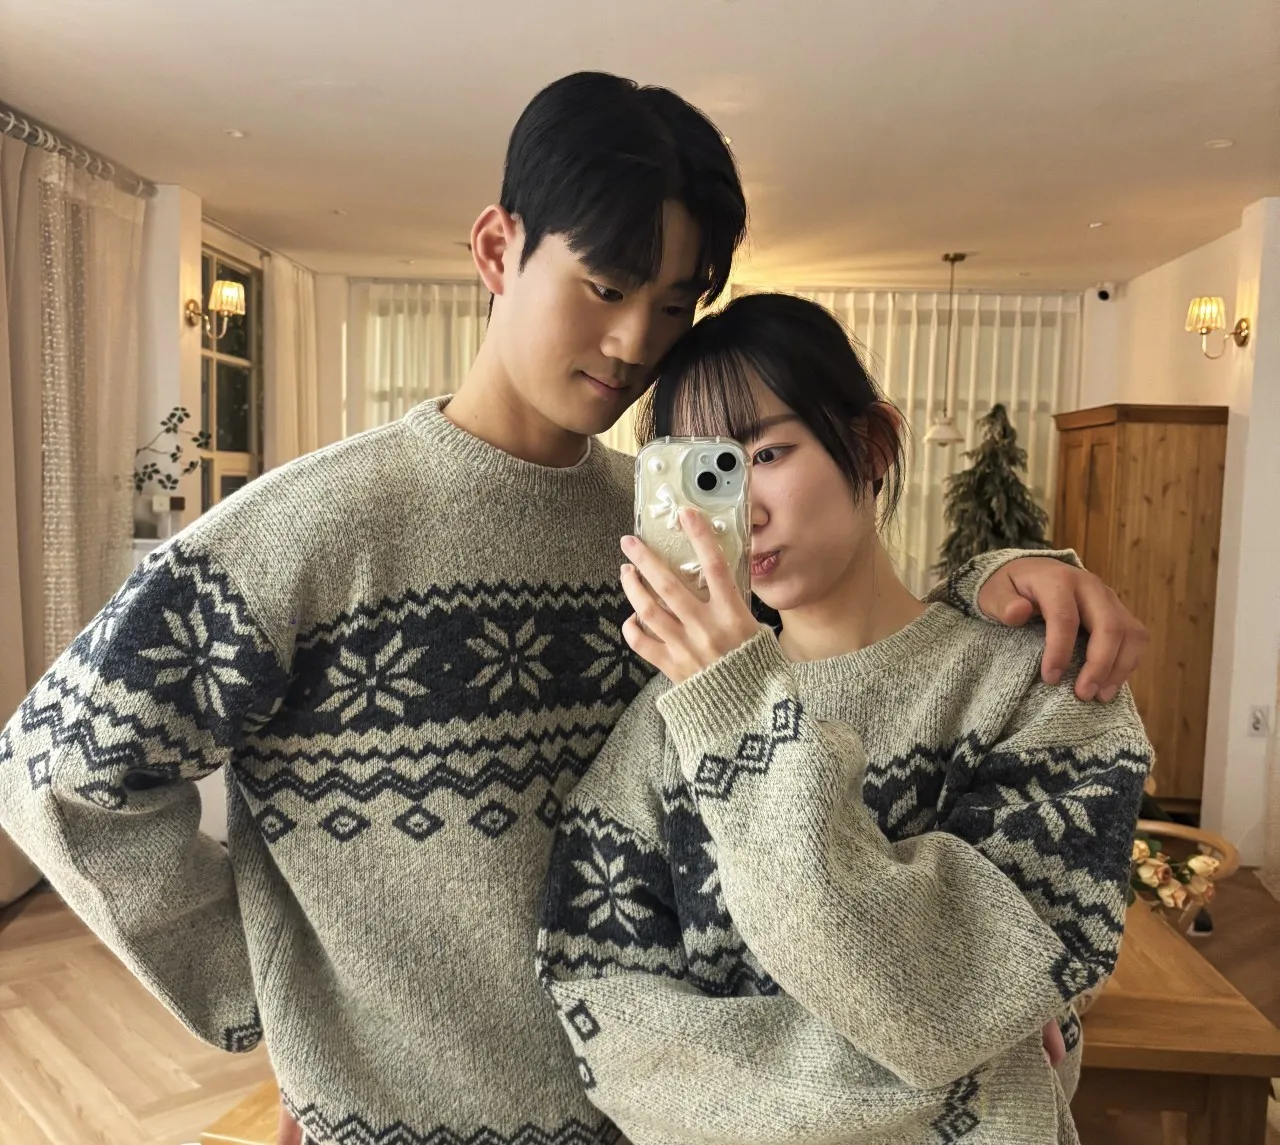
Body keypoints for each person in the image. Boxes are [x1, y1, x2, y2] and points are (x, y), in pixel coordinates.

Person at [0, 76, 1145, 1145]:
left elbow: (839, 655)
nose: (634, 341)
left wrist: (993, 580)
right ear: (497, 248)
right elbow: (59, 770)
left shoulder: (669, 532)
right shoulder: (312, 527)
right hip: (405, 1119)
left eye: (672, 303)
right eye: (605, 286)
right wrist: (273, 999)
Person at [537, 293, 1152, 1144]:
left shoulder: (1039, 681)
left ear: (872, 445)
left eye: (767, 453)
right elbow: (608, 1021)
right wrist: (966, 1066)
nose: (743, 511)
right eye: (706, 472)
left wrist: (740, 713)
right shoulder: (666, 724)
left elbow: (953, 992)